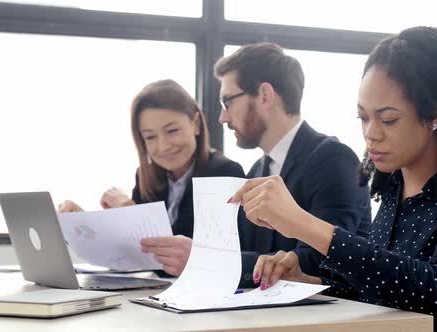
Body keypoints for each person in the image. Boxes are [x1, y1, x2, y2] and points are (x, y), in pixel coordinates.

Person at [230, 27, 437, 331]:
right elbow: (384, 291)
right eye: (363, 117)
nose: (371, 133)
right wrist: (309, 282)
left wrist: (303, 224)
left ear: (433, 116)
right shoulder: (395, 186)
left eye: (388, 119)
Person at [144, 42, 372, 286]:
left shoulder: (332, 159)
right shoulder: (256, 171)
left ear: (265, 95)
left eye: (228, 101)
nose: (223, 117)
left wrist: (206, 259)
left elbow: (320, 259)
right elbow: (247, 255)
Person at [59, 80, 245, 275]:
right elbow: (129, 254)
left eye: (172, 131)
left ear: (196, 124)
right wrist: (81, 224)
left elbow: (182, 260)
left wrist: (129, 210)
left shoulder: (223, 173)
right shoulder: (145, 176)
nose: (163, 146)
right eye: (150, 137)